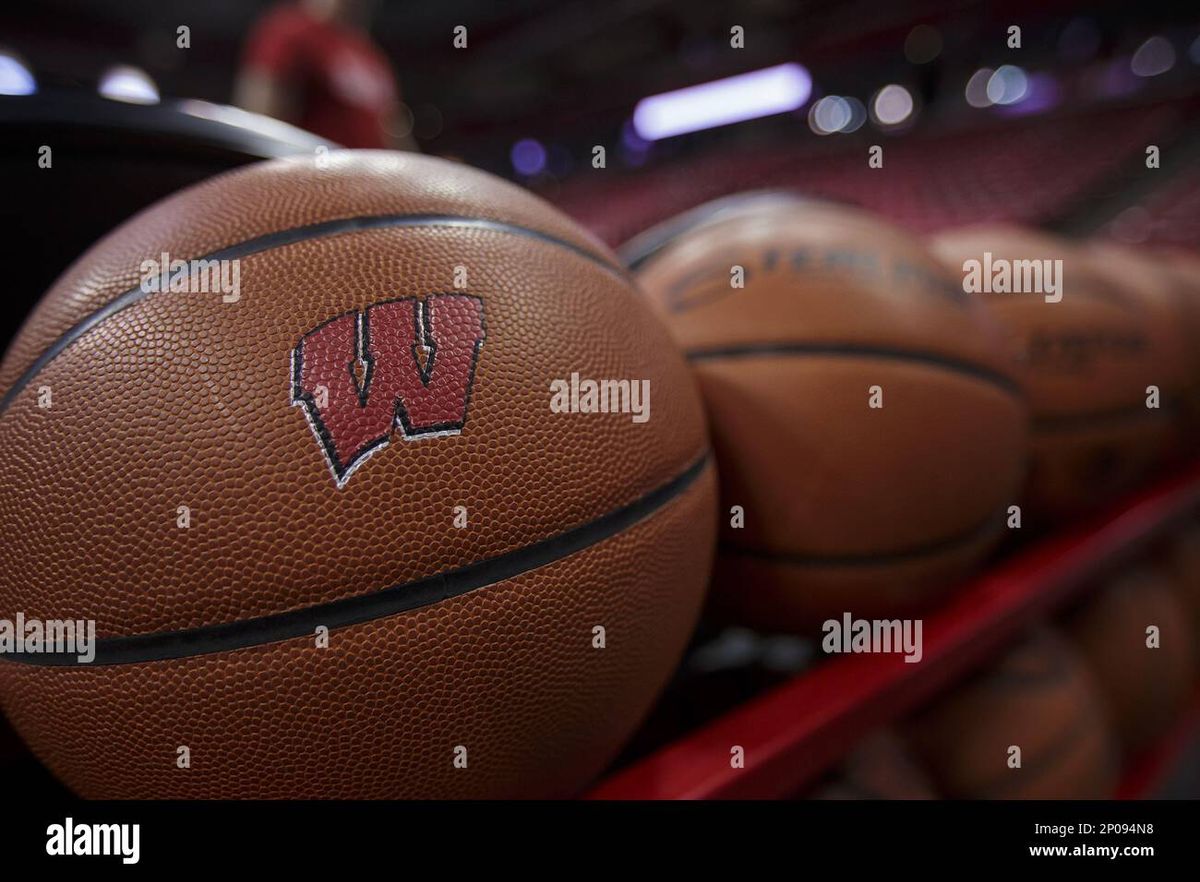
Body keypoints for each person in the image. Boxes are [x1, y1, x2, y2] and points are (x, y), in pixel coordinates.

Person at [235, 0, 417, 150]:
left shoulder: (370, 53)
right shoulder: (289, 32)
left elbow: (392, 129)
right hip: (320, 181)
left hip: (372, 182)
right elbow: (261, 119)